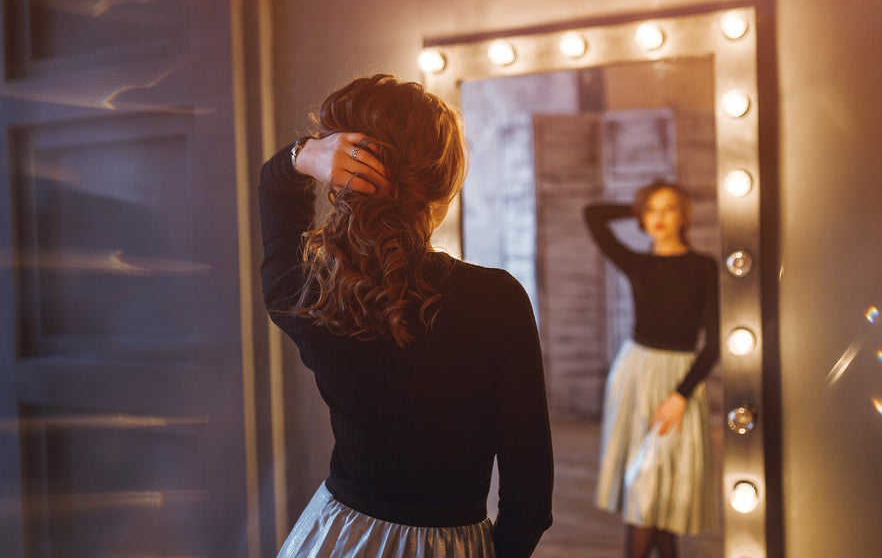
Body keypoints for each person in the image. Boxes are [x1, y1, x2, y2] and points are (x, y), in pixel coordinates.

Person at [259, 74, 553, 558]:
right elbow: (530, 500)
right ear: (444, 182)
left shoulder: (311, 294)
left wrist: (303, 154)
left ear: (340, 178)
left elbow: (275, 189)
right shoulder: (497, 300)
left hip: (333, 540)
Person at [584, 182, 720, 558]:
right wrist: (639, 207)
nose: (659, 218)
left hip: (681, 379)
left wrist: (681, 394)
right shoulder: (638, 262)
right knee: (644, 490)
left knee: (662, 493)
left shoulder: (702, 266)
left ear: (684, 215)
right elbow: (592, 215)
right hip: (635, 373)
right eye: (652, 211)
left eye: (669, 209)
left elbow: (715, 341)